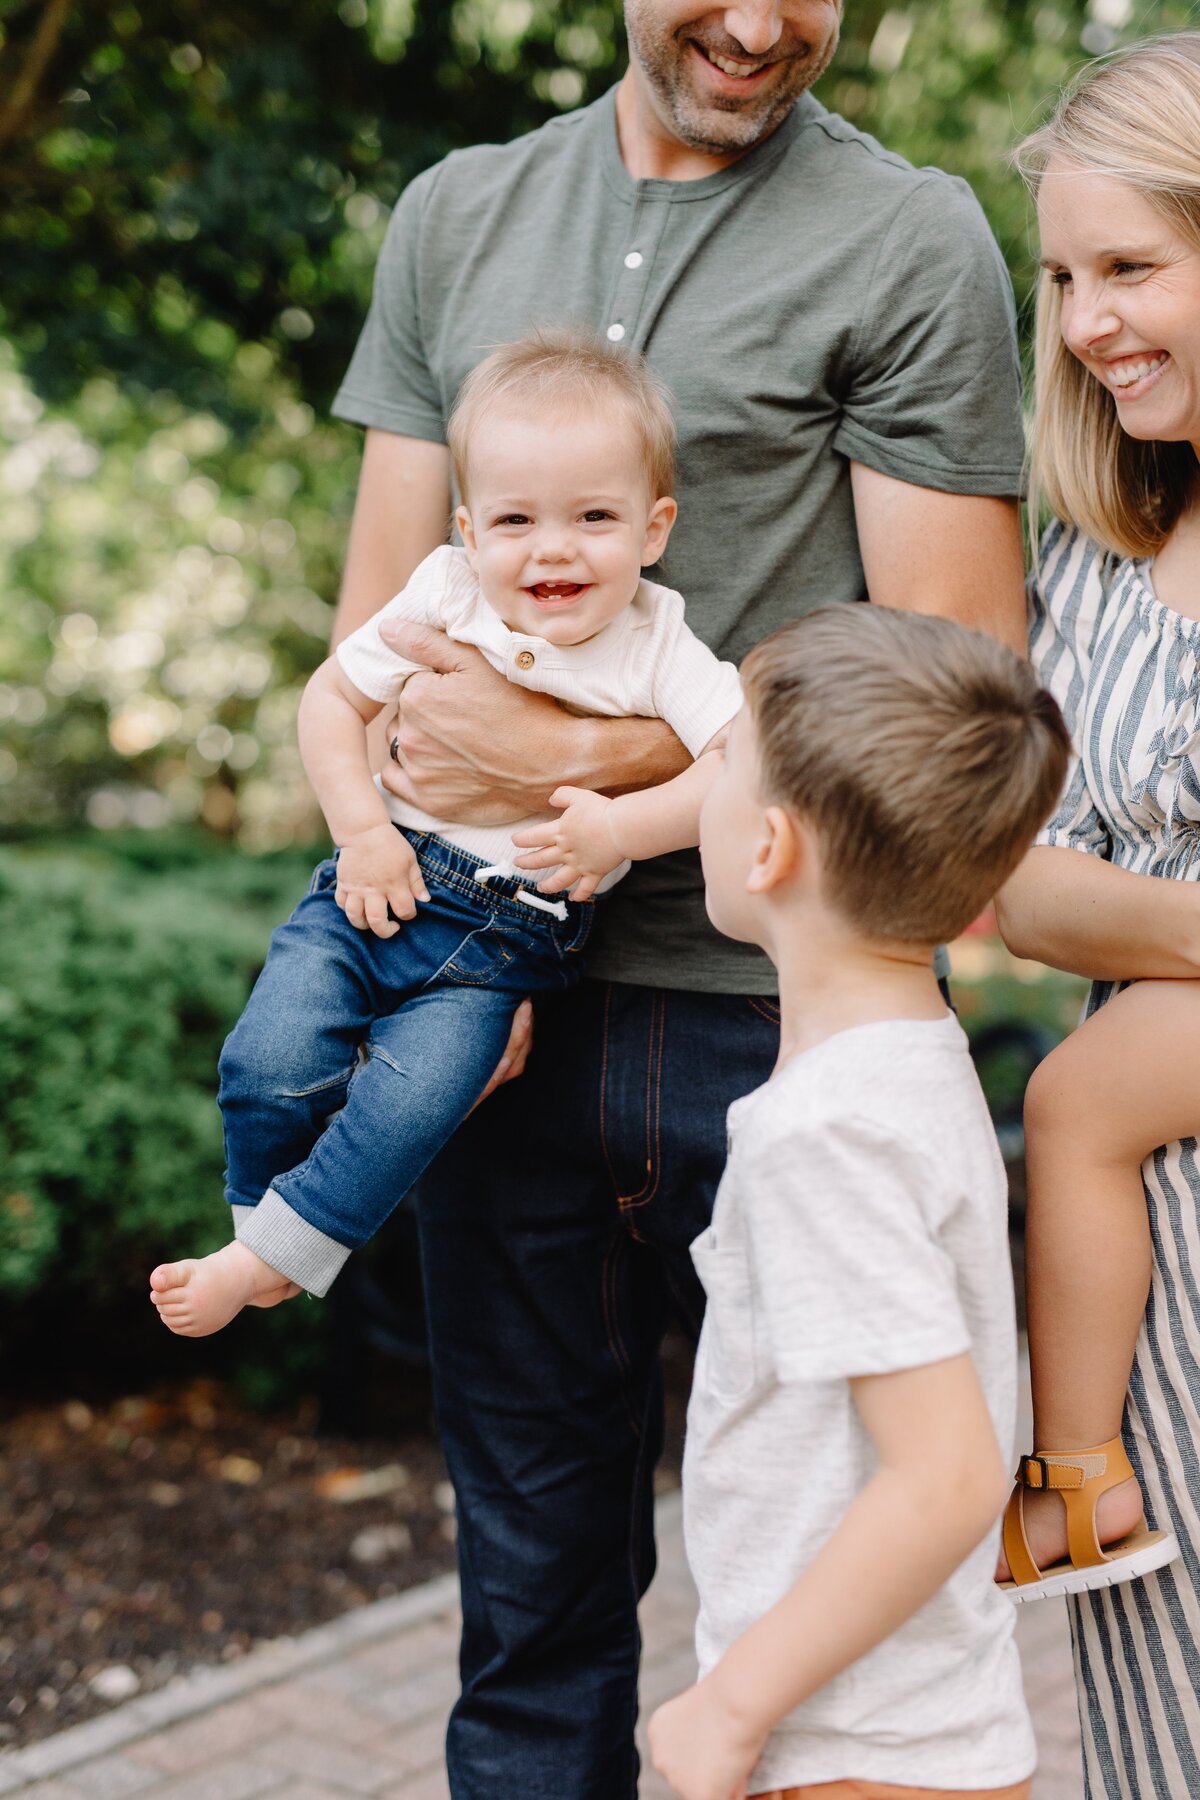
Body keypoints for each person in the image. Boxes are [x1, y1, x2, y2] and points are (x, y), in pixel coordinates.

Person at [329, 2, 1029, 1789]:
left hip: (782, 1025)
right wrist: (407, 989)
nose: (761, 14)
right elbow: (379, 668)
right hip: (503, 1007)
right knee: (533, 1603)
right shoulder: (453, 219)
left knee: (819, 1591)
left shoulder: (907, 235)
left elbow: (949, 698)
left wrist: (626, 780)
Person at [148, 333, 741, 1336]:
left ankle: (269, 1257)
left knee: (411, 1109)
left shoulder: (658, 642)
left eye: (594, 517)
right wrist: (362, 828)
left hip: (504, 949)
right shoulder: (445, 592)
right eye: (515, 520)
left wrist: (623, 825)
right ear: (468, 528)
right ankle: (263, 1236)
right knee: (269, 1061)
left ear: (653, 527)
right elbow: (331, 701)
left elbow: (744, 759)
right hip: (381, 883)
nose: (552, 548)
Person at [647, 604, 1067, 1800]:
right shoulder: (915, 1058)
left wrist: (733, 1706)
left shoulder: (823, 1133)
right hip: (914, 1733)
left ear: (768, 848)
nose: (704, 772)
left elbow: (944, 1478)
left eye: (721, 757)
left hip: (853, 1754)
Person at [993, 30, 1200, 1793]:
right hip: (1145, 1298)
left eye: (1131, 267)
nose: (1084, 323)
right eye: (1065, 275)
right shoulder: (1099, 550)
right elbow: (1017, 886)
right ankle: (1074, 1463)